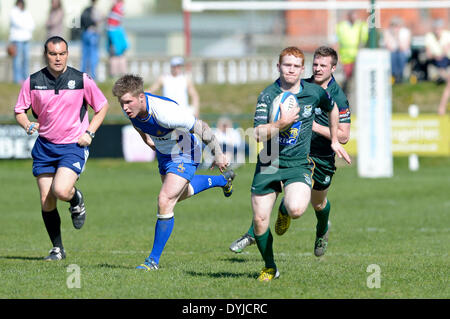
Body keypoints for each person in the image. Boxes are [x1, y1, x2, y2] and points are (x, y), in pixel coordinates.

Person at [231, 47, 351, 282]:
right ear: (278, 67)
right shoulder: (268, 94)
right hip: (270, 160)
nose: (292, 70)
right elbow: (257, 133)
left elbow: (333, 108)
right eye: (287, 65)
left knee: (301, 207)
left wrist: (335, 140)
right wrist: (281, 123)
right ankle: (270, 267)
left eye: (297, 66)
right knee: (259, 220)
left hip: (303, 160)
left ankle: (302, 218)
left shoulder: (318, 93)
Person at [112, 74, 235, 271]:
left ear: (141, 97)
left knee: (165, 200)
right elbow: (139, 126)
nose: (125, 107)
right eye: (121, 103)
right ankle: (221, 181)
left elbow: (201, 127)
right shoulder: (133, 110)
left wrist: (218, 154)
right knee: (178, 195)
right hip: (165, 154)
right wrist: (147, 140)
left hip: (186, 150)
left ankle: (152, 261)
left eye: (128, 102)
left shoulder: (165, 112)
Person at [14, 36, 109, 261]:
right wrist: (27, 124)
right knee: (47, 200)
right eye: (53, 54)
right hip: (45, 147)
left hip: (72, 146)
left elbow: (102, 106)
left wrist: (90, 132)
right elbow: (20, 110)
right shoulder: (32, 81)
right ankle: (57, 249)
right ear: (45, 55)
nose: (58, 58)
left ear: (68, 54)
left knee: (61, 190)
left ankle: (76, 199)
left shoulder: (81, 79)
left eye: (62, 53)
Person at [336, 10, 368, 93]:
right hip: (346, 58)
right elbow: (336, 42)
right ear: (349, 16)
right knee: (347, 78)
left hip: (359, 58)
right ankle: (345, 96)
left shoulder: (361, 26)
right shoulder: (341, 27)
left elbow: (365, 39)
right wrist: (338, 55)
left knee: (358, 79)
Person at [9, 0, 35, 84]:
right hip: (17, 40)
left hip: (26, 39)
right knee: (17, 60)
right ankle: (17, 79)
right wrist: (26, 25)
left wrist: (25, 25)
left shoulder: (27, 12)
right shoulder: (14, 11)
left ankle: (25, 79)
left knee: (26, 60)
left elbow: (32, 25)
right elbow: (17, 23)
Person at [383, 17, 411, 84]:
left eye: (397, 26)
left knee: (401, 55)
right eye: (393, 25)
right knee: (393, 55)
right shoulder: (387, 32)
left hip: (403, 52)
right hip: (392, 52)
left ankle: (399, 75)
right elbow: (388, 47)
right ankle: (394, 75)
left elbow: (404, 47)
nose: (395, 28)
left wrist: (397, 36)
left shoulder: (405, 32)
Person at [80, 0, 103, 80]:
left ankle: (82, 75)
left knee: (84, 56)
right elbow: (97, 21)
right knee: (93, 55)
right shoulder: (95, 9)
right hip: (93, 34)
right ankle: (93, 76)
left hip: (85, 33)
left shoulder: (85, 9)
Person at [106, 0, 129, 78]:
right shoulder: (119, 5)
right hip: (115, 30)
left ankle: (116, 74)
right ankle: (118, 74)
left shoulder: (117, 5)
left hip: (114, 30)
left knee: (116, 54)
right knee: (117, 54)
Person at [424, 19, 450, 84]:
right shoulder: (429, 36)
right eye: (436, 29)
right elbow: (428, 54)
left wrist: (441, 55)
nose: (437, 31)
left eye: (439, 28)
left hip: (446, 57)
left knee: (442, 61)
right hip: (435, 58)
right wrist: (435, 56)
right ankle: (447, 79)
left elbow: (446, 50)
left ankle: (445, 79)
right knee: (440, 63)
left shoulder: (447, 35)